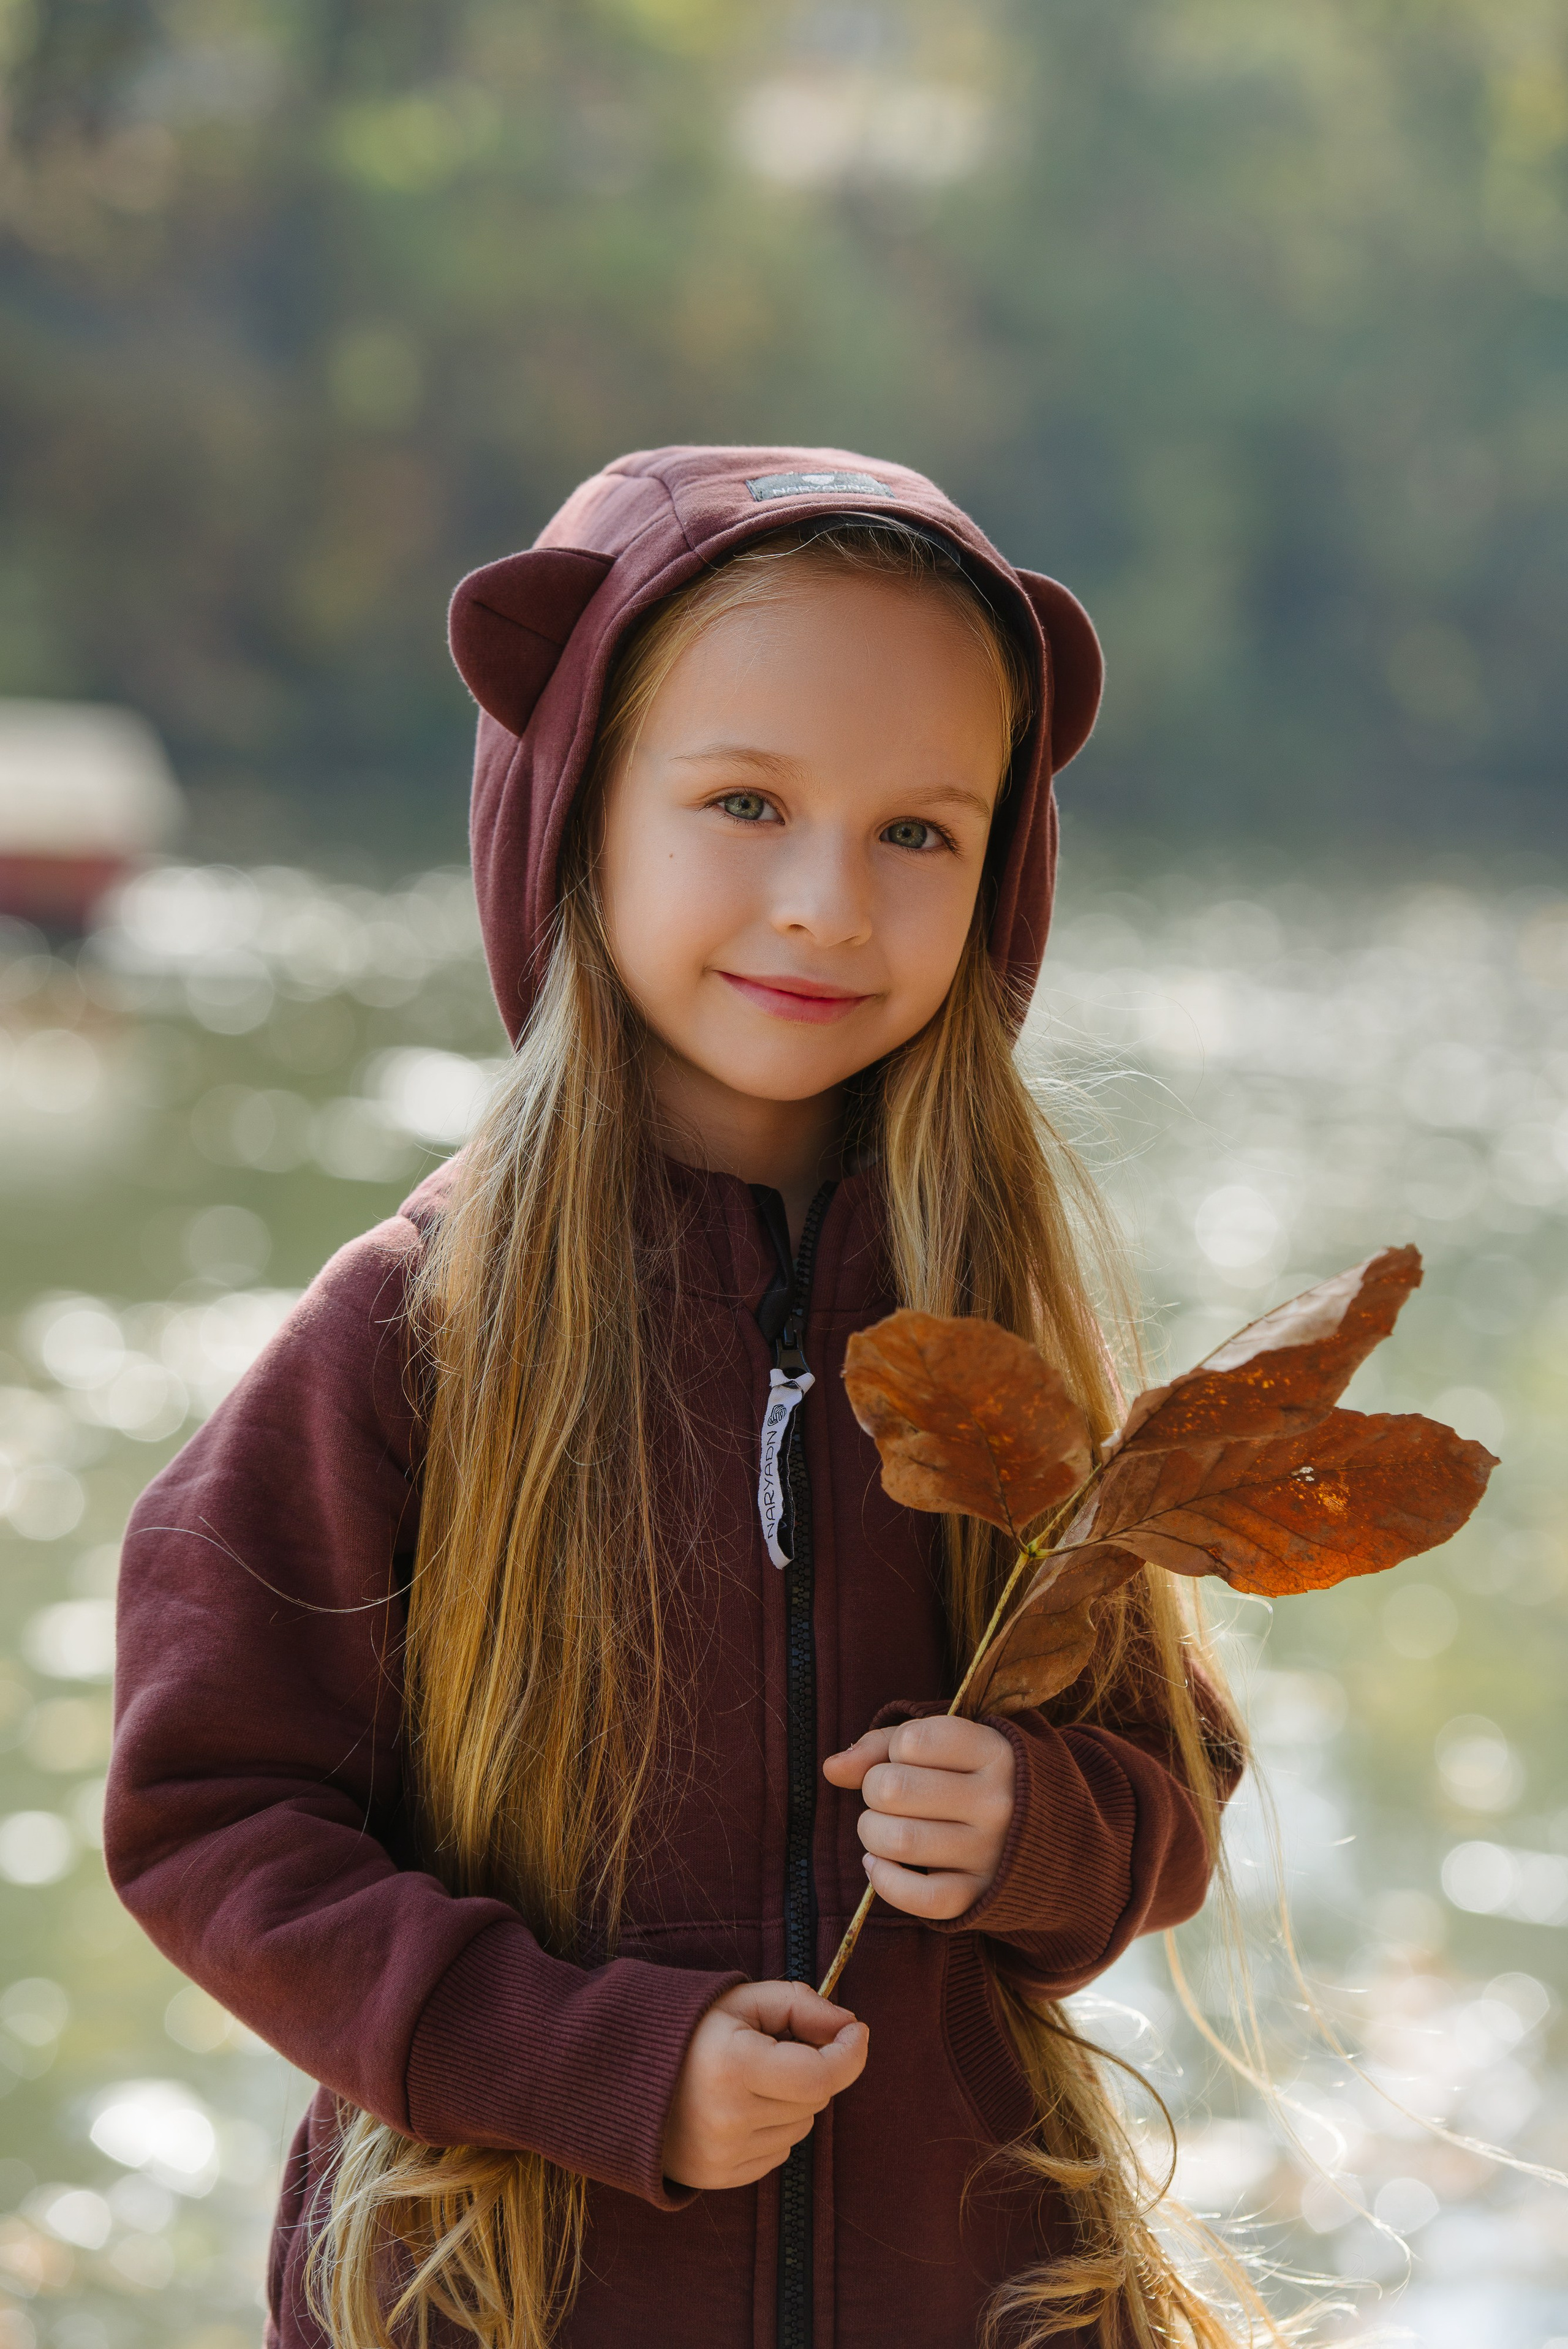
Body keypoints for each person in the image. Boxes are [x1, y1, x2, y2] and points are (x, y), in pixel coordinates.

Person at [105, 446, 1246, 2349]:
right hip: (508, 2288)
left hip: (965, 2292)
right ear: (576, 816)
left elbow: (1169, 1774)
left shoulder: (1000, 1335)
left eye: (918, 831)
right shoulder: (419, 1325)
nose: (826, 901)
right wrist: (590, 2055)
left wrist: (1038, 1824)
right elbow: (208, 1814)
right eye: (745, 802)